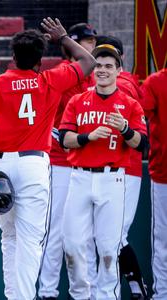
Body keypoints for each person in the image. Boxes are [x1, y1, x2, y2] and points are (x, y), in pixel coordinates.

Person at [0, 17, 96, 299]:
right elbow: (88, 62)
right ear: (40, 60)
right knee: (29, 240)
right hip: (33, 165)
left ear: (13, 57)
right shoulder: (50, 80)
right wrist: (63, 37)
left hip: (0, 166)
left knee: (9, 238)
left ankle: (15, 297)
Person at [59, 44, 148, 300]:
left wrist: (125, 130)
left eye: (109, 66)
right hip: (80, 176)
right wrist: (88, 137)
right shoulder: (78, 100)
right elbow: (64, 138)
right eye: (98, 65)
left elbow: (142, 145)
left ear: (119, 70)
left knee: (109, 248)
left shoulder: (130, 105)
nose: (102, 70)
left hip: (113, 179)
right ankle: (80, 296)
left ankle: (107, 296)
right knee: (73, 244)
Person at [37, 22, 97, 300]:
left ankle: (87, 293)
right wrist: (63, 136)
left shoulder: (97, 78)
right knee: (56, 231)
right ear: (71, 44)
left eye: (92, 41)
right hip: (61, 161)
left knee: (87, 236)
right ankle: (48, 292)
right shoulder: (61, 74)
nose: (90, 46)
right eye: (86, 41)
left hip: (91, 164)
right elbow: (42, 117)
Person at [95, 35, 149, 299]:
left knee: (114, 236)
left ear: (120, 63)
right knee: (103, 236)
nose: (104, 67)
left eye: (110, 60)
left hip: (126, 170)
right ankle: (134, 286)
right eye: (99, 60)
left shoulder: (125, 85)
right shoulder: (91, 87)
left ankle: (132, 287)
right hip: (99, 169)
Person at [140, 67, 167, 300]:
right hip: (163, 173)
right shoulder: (155, 82)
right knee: (163, 241)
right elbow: (139, 117)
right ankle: (162, 295)